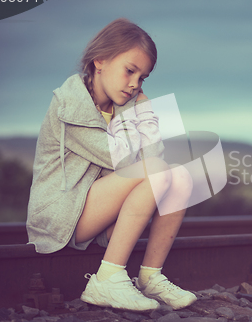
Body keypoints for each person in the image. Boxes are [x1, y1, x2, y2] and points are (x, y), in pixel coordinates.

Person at [26, 18, 196, 312]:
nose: (135, 85)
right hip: (61, 214)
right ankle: (107, 279)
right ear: (100, 61)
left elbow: (156, 155)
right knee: (157, 168)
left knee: (180, 175)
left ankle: (150, 276)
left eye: (142, 78)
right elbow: (126, 162)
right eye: (130, 71)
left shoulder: (121, 106)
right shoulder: (70, 105)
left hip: (95, 209)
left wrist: (142, 110)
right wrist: (137, 112)